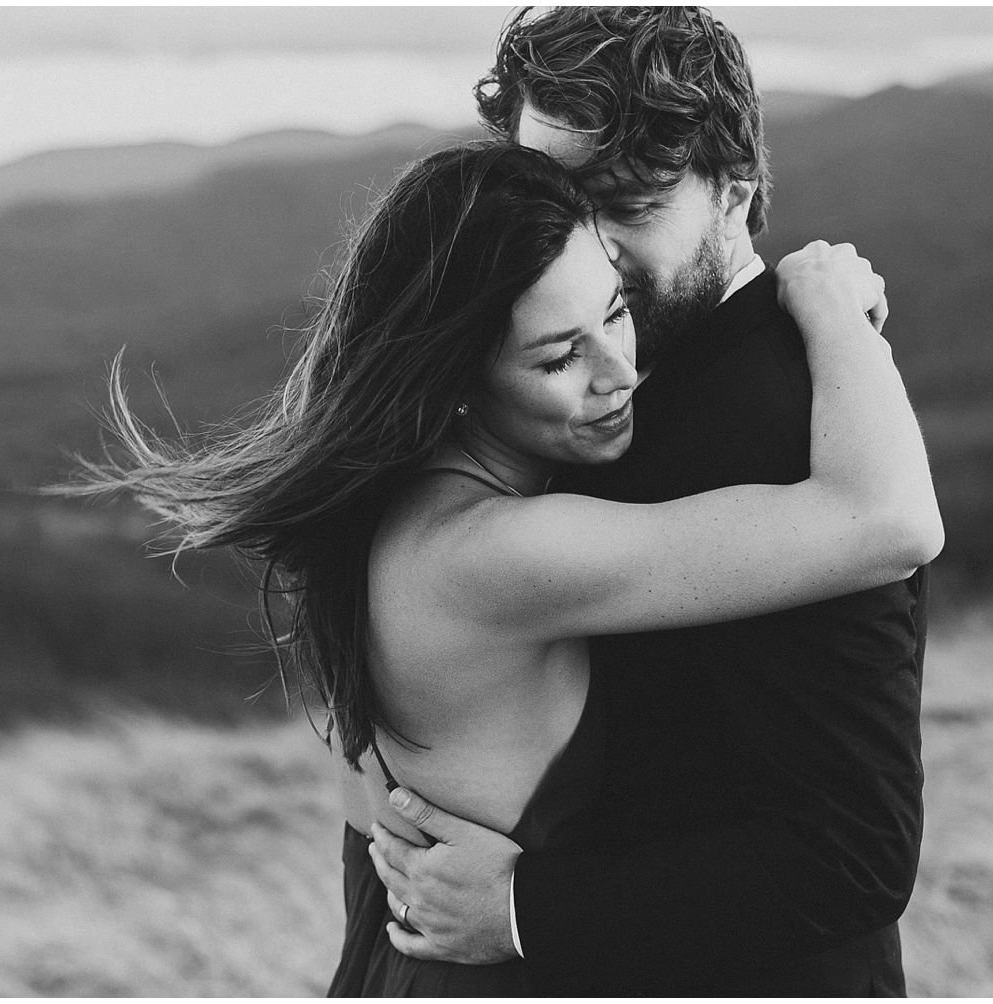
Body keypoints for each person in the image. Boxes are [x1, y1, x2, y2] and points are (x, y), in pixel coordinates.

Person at [69, 139, 938, 995]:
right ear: (457, 377)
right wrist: (831, 308)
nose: (620, 373)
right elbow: (884, 521)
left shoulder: (387, 505)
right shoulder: (502, 556)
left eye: (615, 312)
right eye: (560, 358)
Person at [367, 7, 936, 995]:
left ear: (737, 192)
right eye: (555, 197)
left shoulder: (781, 422)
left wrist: (519, 906)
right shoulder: (578, 383)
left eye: (627, 205)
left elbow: (855, 848)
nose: (586, 244)